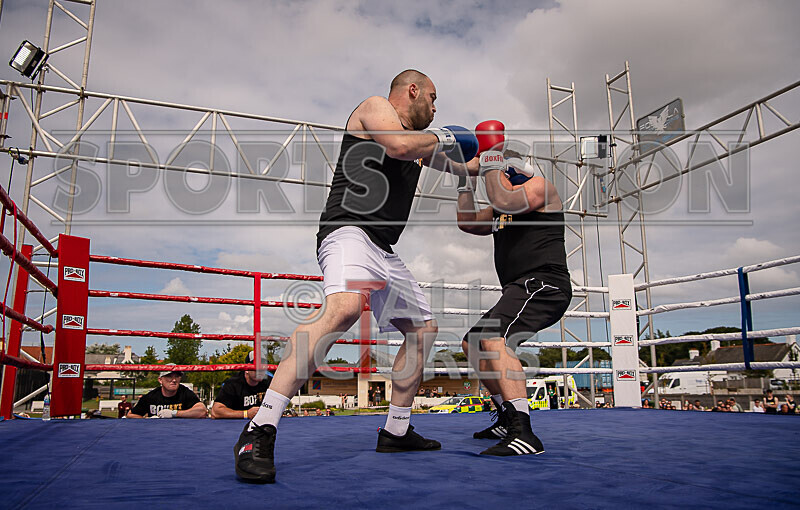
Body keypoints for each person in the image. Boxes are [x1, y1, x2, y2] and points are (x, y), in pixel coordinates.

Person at [234, 69, 480, 483]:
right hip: (348, 230)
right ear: (412, 90)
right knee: (345, 308)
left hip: (383, 248)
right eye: (433, 98)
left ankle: (396, 430)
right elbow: (401, 146)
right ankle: (261, 425)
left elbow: (464, 167)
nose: (437, 108)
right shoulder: (374, 109)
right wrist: (448, 138)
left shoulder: (423, 145)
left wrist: (493, 159)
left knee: (422, 330)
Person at [457, 123, 571, 456]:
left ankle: (525, 432)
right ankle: (507, 417)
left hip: (544, 284)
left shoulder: (540, 188)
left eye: (497, 167)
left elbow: (503, 196)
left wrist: (489, 161)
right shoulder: (500, 207)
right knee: (474, 342)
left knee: (494, 339)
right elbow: (467, 222)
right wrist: (465, 180)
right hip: (519, 288)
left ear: (509, 166)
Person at [211, 351, 272, 419]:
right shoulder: (233, 384)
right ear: (246, 369)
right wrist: (246, 414)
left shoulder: (270, 382)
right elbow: (215, 411)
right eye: (257, 366)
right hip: (234, 426)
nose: (261, 369)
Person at [127, 370, 207, 419]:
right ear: (160, 380)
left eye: (177, 376)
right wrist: (147, 420)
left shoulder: (184, 392)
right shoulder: (152, 396)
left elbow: (202, 411)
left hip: (181, 433)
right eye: (169, 377)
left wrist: (175, 413)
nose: (174, 380)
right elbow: (130, 415)